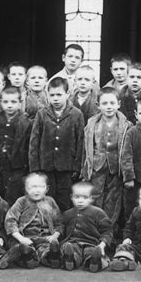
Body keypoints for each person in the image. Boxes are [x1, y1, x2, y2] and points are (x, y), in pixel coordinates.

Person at [29, 77, 84, 211]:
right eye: (52, 95)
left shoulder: (76, 114)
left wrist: (77, 167)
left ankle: (62, 230)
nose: (55, 98)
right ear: (47, 95)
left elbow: (81, 142)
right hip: (46, 166)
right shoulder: (42, 114)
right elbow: (34, 141)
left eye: (59, 94)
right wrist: (35, 168)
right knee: (47, 199)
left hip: (67, 167)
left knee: (64, 199)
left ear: (67, 94)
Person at [81, 87, 131, 229]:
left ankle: (109, 230)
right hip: (97, 167)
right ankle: (94, 229)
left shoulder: (126, 125)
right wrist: (85, 169)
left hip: (116, 168)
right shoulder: (92, 124)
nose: (109, 107)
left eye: (112, 103)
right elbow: (86, 148)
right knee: (95, 196)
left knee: (113, 200)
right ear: (98, 106)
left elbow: (128, 151)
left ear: (119, 104)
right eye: (104, 103)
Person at [0, 172, 63, 269]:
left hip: (44, 238)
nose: (36, 191)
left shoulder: (50, 201)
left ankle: (52, 257)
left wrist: (54, 236)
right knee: (21, 248)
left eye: (40, 187)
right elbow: (10, 221)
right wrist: (21, 238)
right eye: (32, 187)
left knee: (45, 249)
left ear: (47, 188)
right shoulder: (21, 201)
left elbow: (59, 222)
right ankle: (26, 256)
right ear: (26, 189)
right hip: (25, 237)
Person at [0, 87, 32, 205]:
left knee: (12, 195)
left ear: (20, 103)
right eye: (6, 102)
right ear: (1, 102)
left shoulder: (26, 122)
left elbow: (28, 147)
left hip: (16, 166)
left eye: (13, 102)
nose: (9, 105)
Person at [60, 182, 113, 272]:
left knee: (91, 252)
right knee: (70, 249)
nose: (80, 201)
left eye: (85, 197)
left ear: (91, 199)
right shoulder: (67, 214)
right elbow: (61, 228)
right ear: (71, 197)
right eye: (77, 197)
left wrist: (102, 244)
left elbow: (107, 231)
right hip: (73, 242)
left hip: (91, 243)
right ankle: (70, 260)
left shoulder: (98, 213)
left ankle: (94, 262)